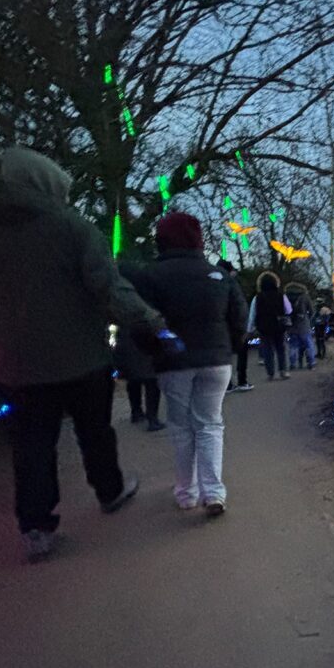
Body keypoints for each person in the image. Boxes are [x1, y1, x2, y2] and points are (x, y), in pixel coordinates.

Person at [0, 147, 181, 561]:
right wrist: (151, 323)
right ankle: (109, 490)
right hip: (81, 355)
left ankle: (36, 526)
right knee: (95, 431)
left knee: (31, 445)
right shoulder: (72, 227)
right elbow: (110, 289)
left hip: (13, 363)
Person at [138, 212, 247, 518]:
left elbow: (140, 321)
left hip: (173, 361)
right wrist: (229, 348)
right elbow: (238, 318)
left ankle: (187, 492)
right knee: (210, 423)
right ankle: (214, 491)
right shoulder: (218, 275)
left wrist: (152, 353)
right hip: (215, 360)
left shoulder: (151, 277)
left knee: (180, 425)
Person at [114, 263, 165, 431]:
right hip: (144, 339)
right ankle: (153, 418)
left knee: (133, 379)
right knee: (151, 380)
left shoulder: (118, 295)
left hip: (126, 340)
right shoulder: (144, 295)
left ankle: (136, 412)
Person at [216, 259, 253, 392]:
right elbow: (240, 306)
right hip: (235, 324)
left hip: (219, 325)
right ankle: (242, 380)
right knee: (242, 353)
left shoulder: (212, 283)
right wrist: (244, 327)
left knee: (225, 356)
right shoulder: (232, 284)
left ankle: (227, 383)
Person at [247, 271, 292, 380]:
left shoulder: (257, 298)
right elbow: (289, 310)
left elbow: (253, 314)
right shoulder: (282, 296)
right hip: (279, 325)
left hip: (263, 327)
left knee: (267, 349)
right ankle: (283, 370)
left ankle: (270, 373)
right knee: (281, 348)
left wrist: (249, 329)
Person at [284, 281, 316, 370]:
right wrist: (308, 319)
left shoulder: (286, 297)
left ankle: (293, 364)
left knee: (293, 345)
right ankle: (311, 362)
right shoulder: (305, 296)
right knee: (309, 344)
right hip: (304, 324)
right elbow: (312, 311)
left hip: (291, 324)